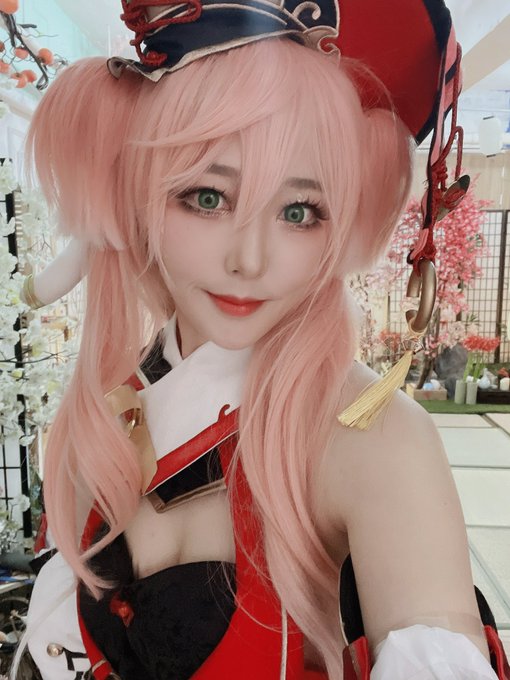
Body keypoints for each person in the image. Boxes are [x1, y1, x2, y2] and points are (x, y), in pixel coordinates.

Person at [19, 1, 510, 678]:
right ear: (137, 197)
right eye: (208, 198)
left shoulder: (376, 442)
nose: (249, 260)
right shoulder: (105, 409)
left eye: (299, 211)